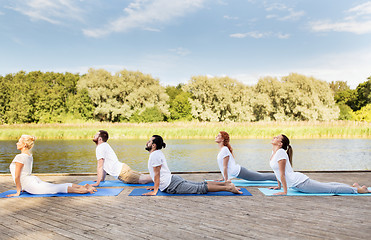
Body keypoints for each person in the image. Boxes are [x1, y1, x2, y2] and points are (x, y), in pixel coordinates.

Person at [269, 134, 370, 195]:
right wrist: (279, 186)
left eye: (277, 137)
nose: (274, 137)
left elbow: (282, 174)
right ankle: (353, 186)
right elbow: (277, 172)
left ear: (280, 144)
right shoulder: (274, 153)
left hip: (300, 183)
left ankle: (359, 190)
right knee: (327, 185)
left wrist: (284, 191)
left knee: (330, 189)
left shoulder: (281, 153)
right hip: (297, 183)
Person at [143, 135, 242, 196]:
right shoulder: (157, 153)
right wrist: (158, 186)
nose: (147, 142)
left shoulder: (154, 155)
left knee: (200, 188)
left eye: (149, 141)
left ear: (153, 145)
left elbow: (156, 175)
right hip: (172, 180)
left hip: (171, 184)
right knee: (200, 185)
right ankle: (226, 184)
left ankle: (228, 188)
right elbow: (157, 174)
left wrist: (155, 190)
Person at [7, 135, 96, 197]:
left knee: (56, 188)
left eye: (18, 142)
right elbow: (24, 173)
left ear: (24, 145)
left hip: (29, 184)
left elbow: (18, 176)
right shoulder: (29, 155)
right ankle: (84, 186)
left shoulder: (19, 157)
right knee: (55, 187)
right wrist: (23, 188)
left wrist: (18, 191)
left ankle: (85, 190)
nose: (16, 143)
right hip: (31, 180)